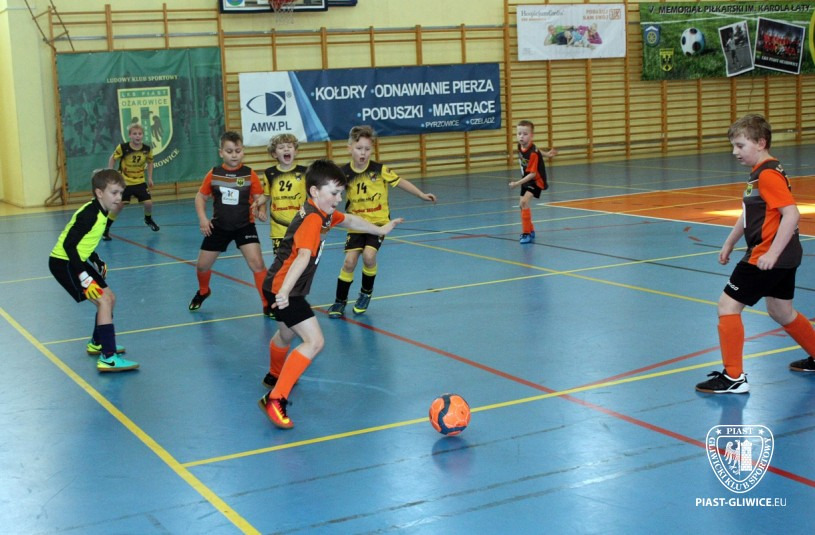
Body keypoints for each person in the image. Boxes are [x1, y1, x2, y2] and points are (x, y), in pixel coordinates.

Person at [258, 159, 404, 428]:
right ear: (315, 191)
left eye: (341, 193)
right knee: (314, 342)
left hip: (275, 284)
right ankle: (275, 398)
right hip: (285, 288)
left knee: (286, 334)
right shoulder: (313, 219)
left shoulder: (322, 213)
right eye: (334, 193)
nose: (339, 199)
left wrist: (379, 229)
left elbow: (349, 219)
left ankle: (274, 375)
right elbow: (303, 256)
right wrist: (286, 292)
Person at [696, 114, 815, 394]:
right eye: (733, 146)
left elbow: (791, 214)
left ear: (761, 143)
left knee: (727, 306)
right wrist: (729, 242)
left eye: (740, 145)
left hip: (766, 255)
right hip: (785, 256)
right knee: (781, 310)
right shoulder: (761, 173)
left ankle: (733, 377)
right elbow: (749, 214)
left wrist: (772, 253)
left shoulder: (768, 175)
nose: (734, 152)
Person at [327, 125, 436, 318]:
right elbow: (331, 193)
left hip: (378, 224)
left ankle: (365, 293)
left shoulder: (379, 170)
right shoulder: (343, 174)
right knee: (349, 262)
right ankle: (339, 301)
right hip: (356, 224)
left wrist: (420, 194)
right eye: (359, 148)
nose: (363, 153)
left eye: (367, 149)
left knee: (369, 256)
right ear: (349, 148)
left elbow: (400, 181)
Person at [48, 169, 139, 372]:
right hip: (65, 263)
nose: (119, 198)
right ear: (99, 193)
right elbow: (68, 245)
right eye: (114, 193)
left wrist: (95, 259)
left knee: (110, 297)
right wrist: (84, 276)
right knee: (103, 301)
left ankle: (98, 343)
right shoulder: (89, 214)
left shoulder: (102, 210)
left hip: (77, 260)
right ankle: (108, 357)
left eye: (121, 192)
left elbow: (85, 242)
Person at [188, 131, 271, 315]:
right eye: (229, 151)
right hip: (219, 227)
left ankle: (267, 304)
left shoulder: (249, 174)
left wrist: (261, 211)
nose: (234, 155)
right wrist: (203, 219)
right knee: (202, 266)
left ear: (243, 151)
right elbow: (200, 197)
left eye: (238, 151)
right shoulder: (213, 174)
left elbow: (260, 197)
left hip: (244, 226)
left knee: (257, 264)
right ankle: (203, 291)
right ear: (221, 153)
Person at [104, 123, 159, 240]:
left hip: (139, 181)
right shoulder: (123, 148)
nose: (137, 136)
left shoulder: (146, 149)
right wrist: (110, 172)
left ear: (143, 135)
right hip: (125, 182)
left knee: (148, 203)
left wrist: (150, 177)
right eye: (134, 134)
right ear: (130, 135)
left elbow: (150, 162)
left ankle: (148, 219)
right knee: (119, 206)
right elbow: (113, 158)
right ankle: (106, 228)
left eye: (140, 134)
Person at [509, 120, 557, 244]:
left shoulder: (533, 153)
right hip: (526, 178)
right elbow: (537, 149)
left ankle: (526, 234)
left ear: (531, 136)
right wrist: (547, 154)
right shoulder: (520, 146)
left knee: (524, 202)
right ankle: (530, 230)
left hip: (536, 180)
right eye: (519, 133)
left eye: (525, 134)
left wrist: (517, 183)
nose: (521, 136)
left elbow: (533, 174)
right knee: (522, 205)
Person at [263, 133, 308, 254]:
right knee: (281, 261)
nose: (286, 149)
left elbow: (314, 194)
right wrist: (257, 206)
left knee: (302, 259)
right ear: (274, 154)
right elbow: (266, 195)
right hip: (279, 228)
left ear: (296, 151)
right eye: (281, 147)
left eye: (289, 146)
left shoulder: (305, 172)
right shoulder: (269, 173)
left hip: (301, 225)